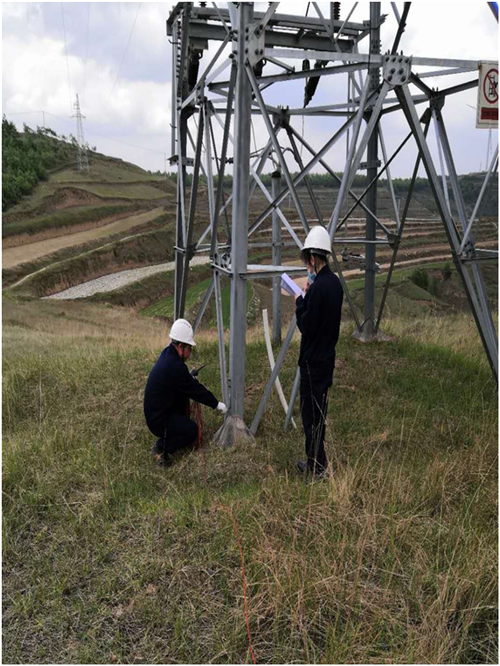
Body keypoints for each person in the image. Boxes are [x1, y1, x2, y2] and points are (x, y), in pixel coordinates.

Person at [144, 318, 227, 465]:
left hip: (157, 412)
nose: (190, 352)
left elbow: (179, 381)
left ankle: (171, 431)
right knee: (192, 431)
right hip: (158, 420)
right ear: (181, 346)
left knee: (183, 408)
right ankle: (161, 448)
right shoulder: (175, 366)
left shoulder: (168, 355)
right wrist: (216, 404)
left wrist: (187, 377)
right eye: (190, 348)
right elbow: (195, 390)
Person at [294, 226, 343, 477]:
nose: (308, 267)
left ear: (313, 258)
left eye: (308, 262)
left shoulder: (316, 290)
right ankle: (317, 464)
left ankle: (317, 468)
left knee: (310, 418)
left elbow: (306, 326)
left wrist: (300, 302)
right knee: (319, 414)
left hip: (312, 362)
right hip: (327, 360)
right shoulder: (335, 285)